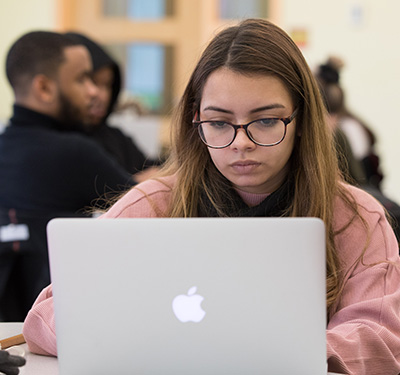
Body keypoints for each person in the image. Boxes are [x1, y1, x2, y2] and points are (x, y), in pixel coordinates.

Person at [23, 19, 400, 374]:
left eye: (266, 120)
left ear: (302, 121)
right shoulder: (154, 203)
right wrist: (157, 339)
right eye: (219, 123)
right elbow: (47, 316)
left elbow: (378, 337)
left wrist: (271, 354)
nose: (240, 144)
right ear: (195, 120)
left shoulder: (356, 216)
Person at [0, 31, 135, 321]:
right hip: (56, 322)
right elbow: (149, 207)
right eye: (82, 79)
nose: (93, 92)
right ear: (45, 88)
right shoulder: (74, 152)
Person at [64, 32, 161, 181]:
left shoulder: (115, 137)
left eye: (108, 85)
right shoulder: (62, 144)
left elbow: (152, 168)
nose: (101, 95)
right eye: (93, 82)